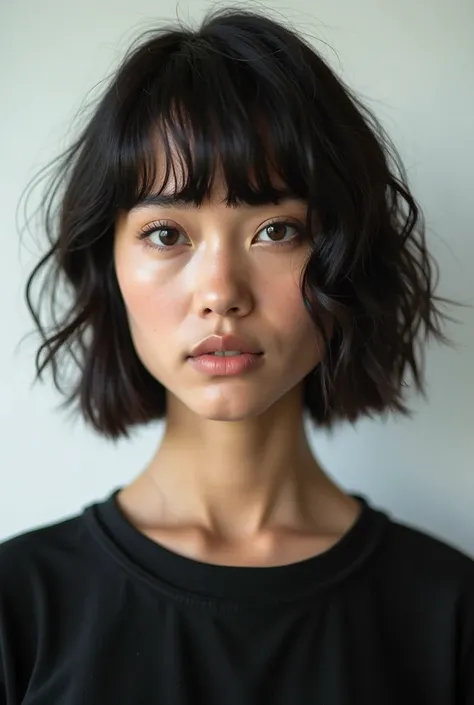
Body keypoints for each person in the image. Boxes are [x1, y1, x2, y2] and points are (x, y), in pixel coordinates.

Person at [1, 7, 472, 704]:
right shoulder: (20, 609)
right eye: (166, 234)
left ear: (343, 260)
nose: (220, 292)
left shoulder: (449, 613)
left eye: (276, 229)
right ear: (109, 265)